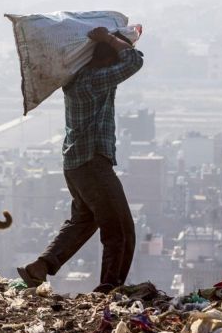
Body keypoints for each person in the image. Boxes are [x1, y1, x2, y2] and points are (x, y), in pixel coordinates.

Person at [18, 26, 144, 293]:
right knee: (120, 229)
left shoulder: (79, 78)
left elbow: (126, 57)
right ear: (107, 59)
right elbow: (134, 60)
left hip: (76, 164)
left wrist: (118, 39)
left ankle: (40, 267)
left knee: (83, 221)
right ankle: (110, 288)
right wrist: (109, 39)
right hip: (91, 163)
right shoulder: (94, 81)